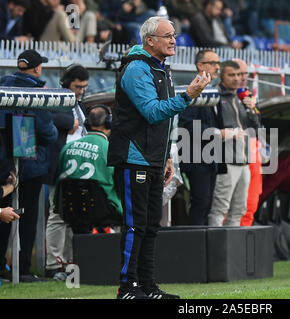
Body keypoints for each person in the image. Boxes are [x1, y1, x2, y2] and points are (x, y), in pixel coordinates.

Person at [107, 16, 211, 299]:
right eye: (167, 36)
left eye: (174, 35)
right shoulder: (137, 70)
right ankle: (127, 289)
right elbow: (153, 112)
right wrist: (189, 94)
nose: (174, 40)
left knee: (152, 225)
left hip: (153, 158)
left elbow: (165, 122)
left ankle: (148, 286)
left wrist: (166, 157)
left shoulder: (162, 70)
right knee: (134, 224)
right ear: (149, 40)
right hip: (133, 158)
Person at [0, 49, 58, 282]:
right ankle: (23, 269)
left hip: (4, 166)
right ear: (36, 69)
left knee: (3, 215)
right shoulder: (35, 92)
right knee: (27, 217)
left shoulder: (4, 86)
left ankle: (3, 269)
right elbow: (48, 132)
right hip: (31, 165)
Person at [43, 64, 89, 281]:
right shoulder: (57, 98)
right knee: (57, 215)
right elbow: (47, 116)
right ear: (66, 83)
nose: (80, 91)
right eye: (77, 86)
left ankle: (72, 263)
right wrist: (70, 121)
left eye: (83, 87)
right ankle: (53, 264)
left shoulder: (79, 104)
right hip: (62, 167)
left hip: (79, 168)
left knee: (75, 215)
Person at [53, 104, 122, 231]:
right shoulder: (111, 149)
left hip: (71, 210)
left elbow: (59, 183)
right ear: (109, 123)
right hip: (104, 210)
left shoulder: (67, 147)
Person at [208, 60, 260, 227]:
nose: (237, 78)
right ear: (222, 76)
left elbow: (256, 128)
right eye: (232, 75)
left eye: (239, 74)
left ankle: (232, 250)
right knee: (220, 209)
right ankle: (216, 249)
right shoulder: (214, 96)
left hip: (244, 162)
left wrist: (252, 109)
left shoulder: (242, 97)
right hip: (226, 162)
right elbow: (207, 129)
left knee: (239, 209)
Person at [178, 49, 220, 225]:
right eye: (212, 63)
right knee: (200, 203)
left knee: (207, 205)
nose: (217, 67)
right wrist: (217, 133)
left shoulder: (210, 89)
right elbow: (187, 124)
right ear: (200, 66)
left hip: (210, 158)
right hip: (196, 158)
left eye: (218, 63)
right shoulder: (193, 89)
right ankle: (195, 248)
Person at [232, 58, 263, 227]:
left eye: (245, 73)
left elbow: (258, 128)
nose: (243, 77)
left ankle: (243, 244)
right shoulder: (222, 96)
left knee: (250, 204)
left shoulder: (247, 97)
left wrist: (252, 109)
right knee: (231, 206)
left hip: (253, 158)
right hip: (233, 157)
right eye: (238, 73)